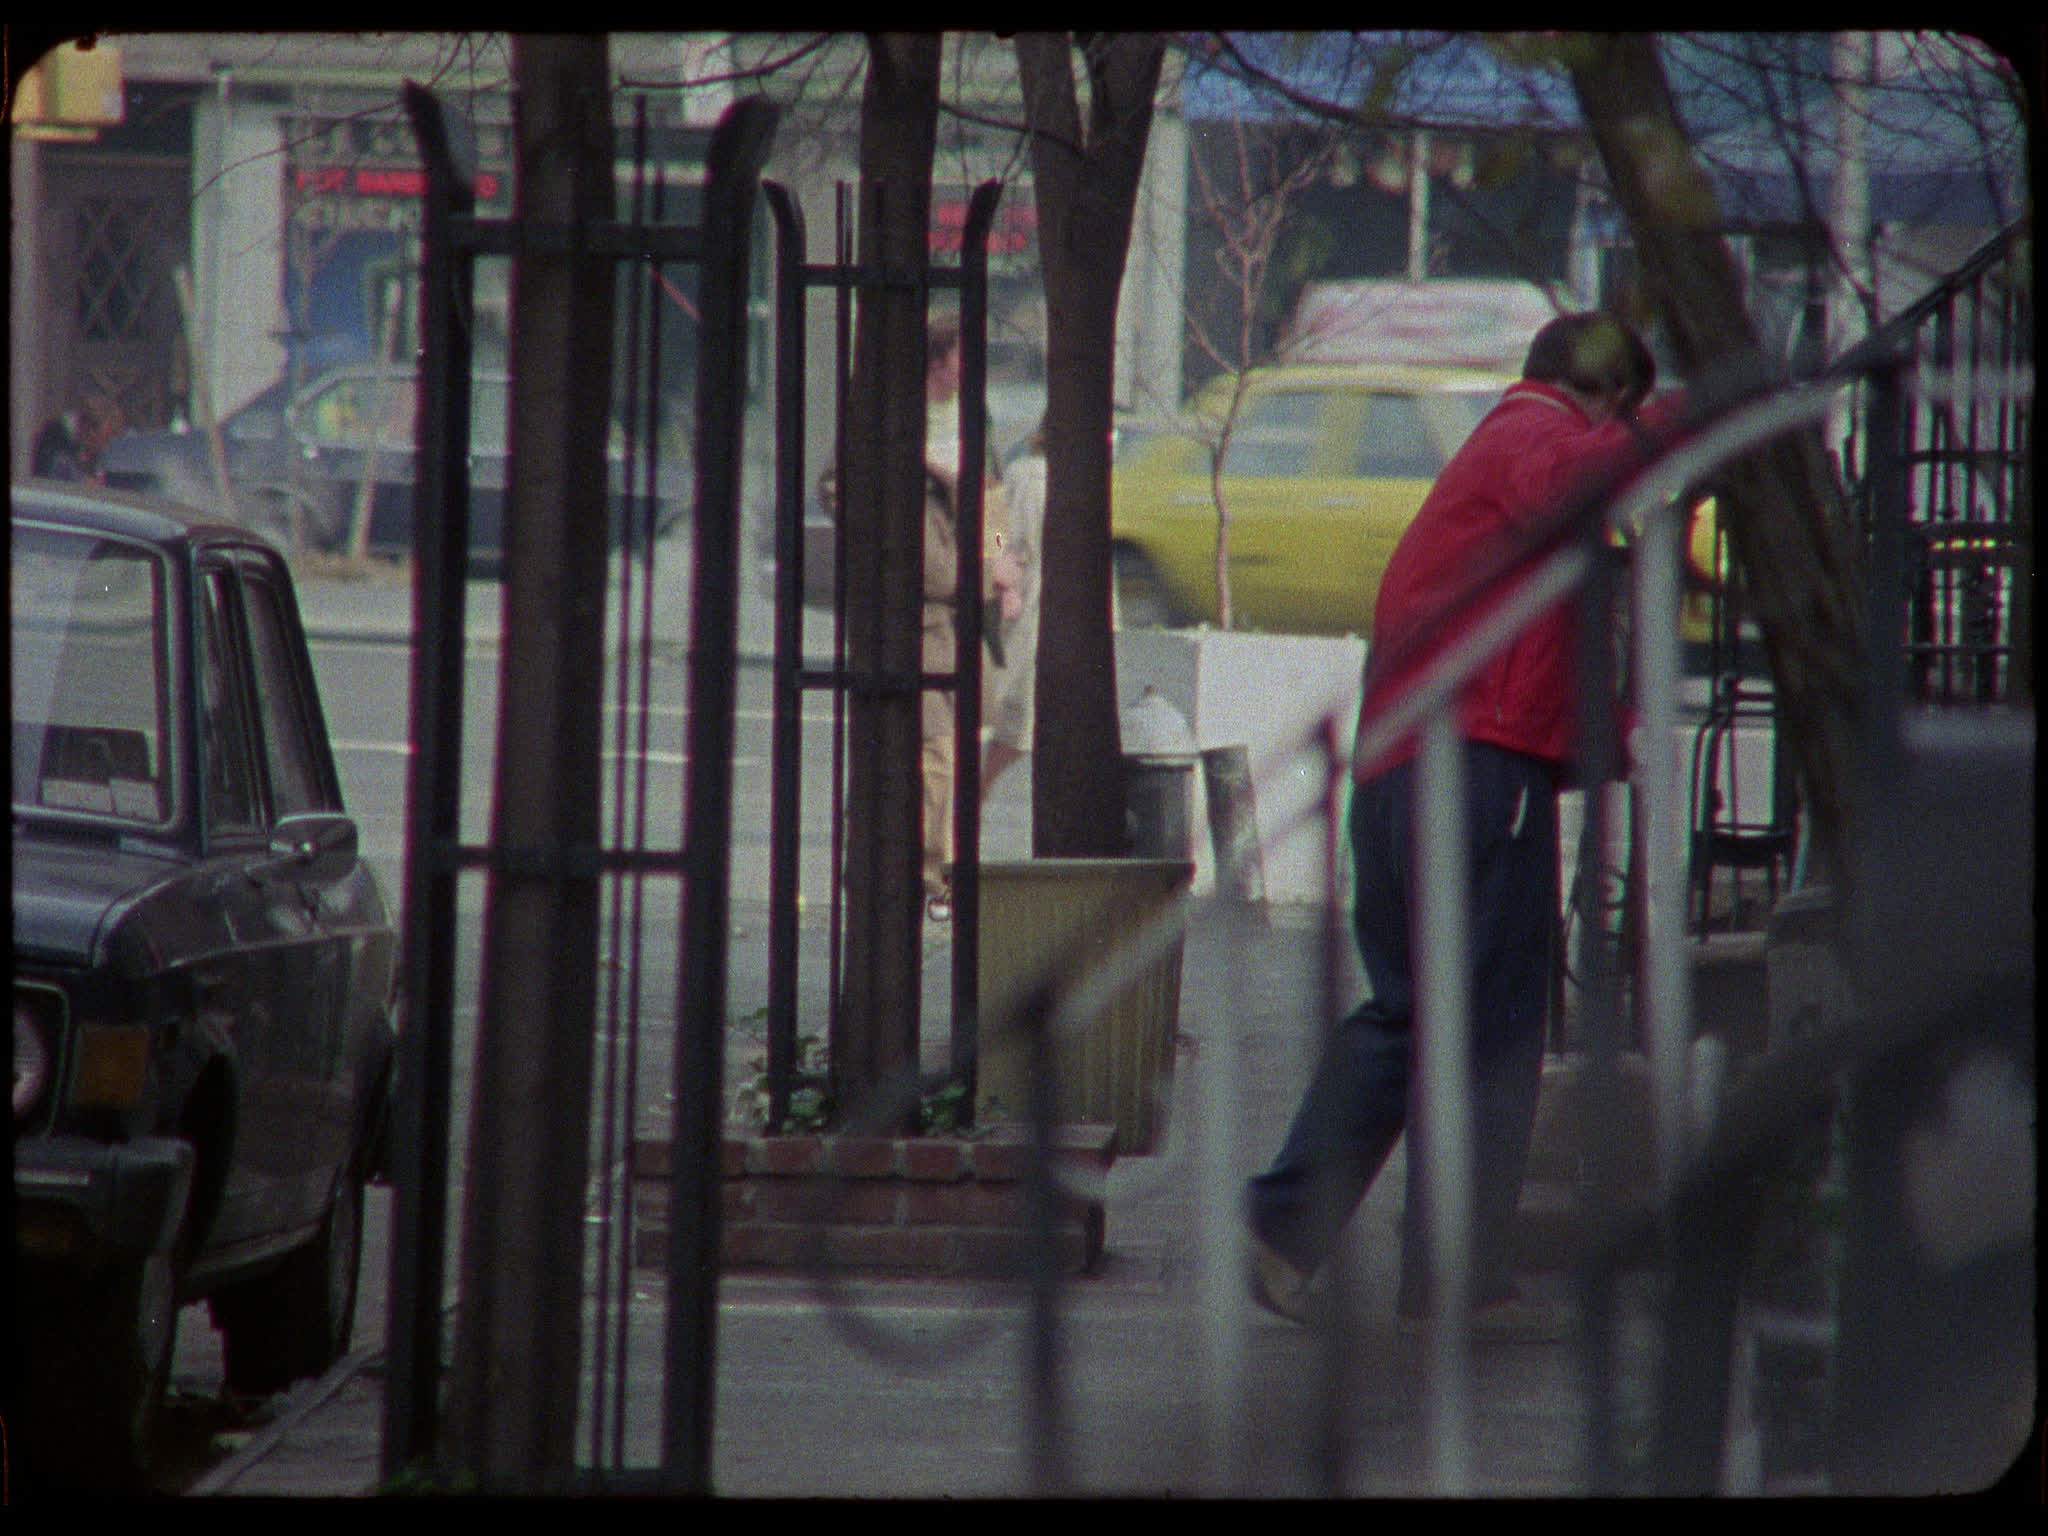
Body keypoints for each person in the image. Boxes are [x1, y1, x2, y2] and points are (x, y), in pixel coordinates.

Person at [1244, 312, 1671, 1333]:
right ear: (1600, 395)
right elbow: (1574, 486)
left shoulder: (1488, 468)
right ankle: (1449, 1275)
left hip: (1399, 772)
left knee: (1406, 1012)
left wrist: (1607, 737)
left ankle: (1285, 1226)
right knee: (1485, 1025)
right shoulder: (1531, 433)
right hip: (1473, 772)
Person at [921, 316, 1018, 922]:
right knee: (932, 751)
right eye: (964, 358)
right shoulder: (901, 413)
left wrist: (1002, 557)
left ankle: (942, 864)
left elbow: (993, 499)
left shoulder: (971, 419)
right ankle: (934, 874)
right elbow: (836, 482)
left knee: (955, 747)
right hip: (930, 597)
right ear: (940, 362)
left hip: (970, 603)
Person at [980, 418, 1046, 803]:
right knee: (1011, 715)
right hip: (1022, 605)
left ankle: (972, 795)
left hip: (1031, 606)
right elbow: (1000, 529)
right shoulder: (1031, 476)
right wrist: (1000, 567)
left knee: (1020, 722)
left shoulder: (1037, 475)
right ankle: (970, 796)